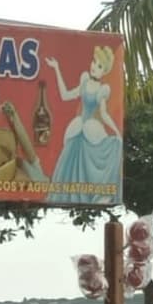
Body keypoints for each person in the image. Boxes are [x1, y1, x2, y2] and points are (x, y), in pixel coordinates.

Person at [44, 47, 123, 205]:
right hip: (77, 130)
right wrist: (57, 69)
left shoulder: (102, 90)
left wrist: (117, 132)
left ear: (104, 71)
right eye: (94, 62)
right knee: (68, 170)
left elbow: (104, 114)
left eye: (100, 66)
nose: (94, 66)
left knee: (113, 147)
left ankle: (102, 193)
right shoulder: (85, 81)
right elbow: (65, 95)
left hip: (91, 132)